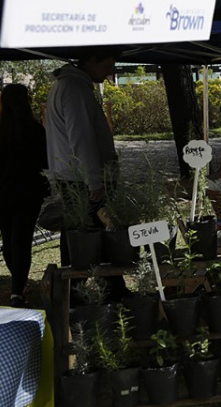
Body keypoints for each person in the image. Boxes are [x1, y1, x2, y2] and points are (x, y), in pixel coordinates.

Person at [46, 48, 126, 298]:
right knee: (92, 236)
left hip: (74, 176)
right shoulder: (74, 88)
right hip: (81, 179)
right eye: (107, 64)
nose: (111, 71)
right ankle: (98, 292)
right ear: (91, 59)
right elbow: (81, 138)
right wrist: (95, 181)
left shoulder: (69, 85)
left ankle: (82, 292)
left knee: (79, 236)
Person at [0, 84, 48, 308]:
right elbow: (45, 161)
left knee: (8, 237)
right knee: (22, 240)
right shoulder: (34, 129)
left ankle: (18, 284)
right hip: (27, 191)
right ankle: (18, 288)